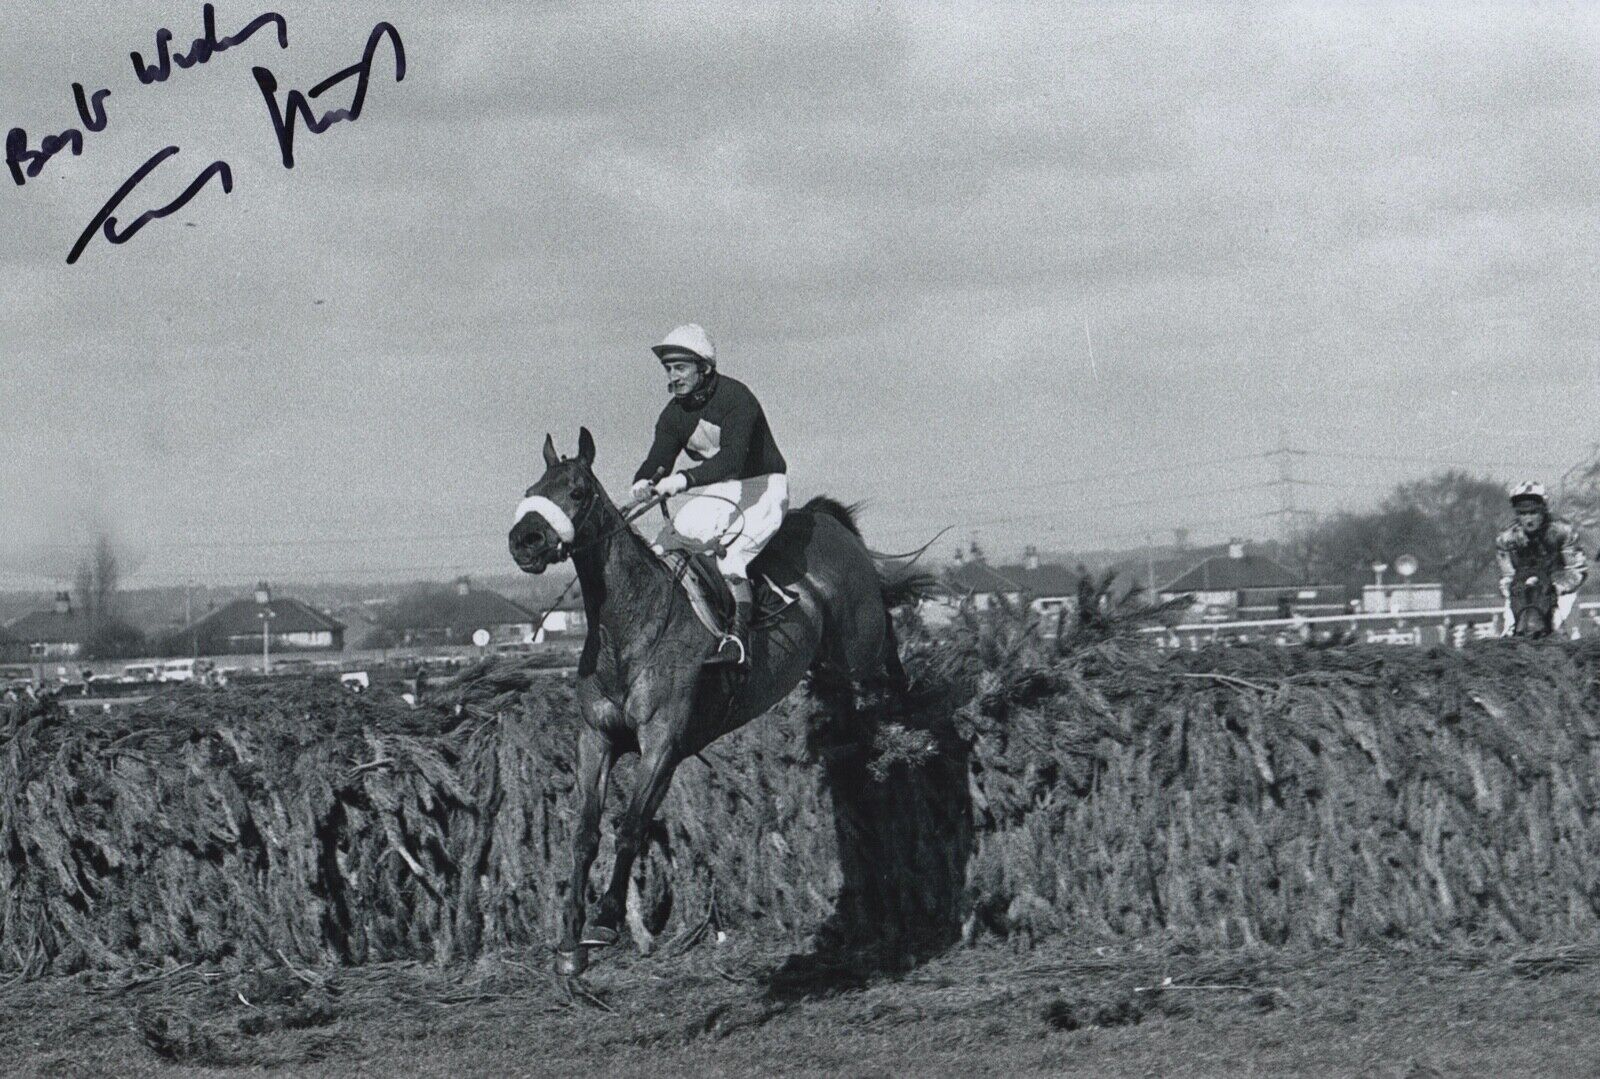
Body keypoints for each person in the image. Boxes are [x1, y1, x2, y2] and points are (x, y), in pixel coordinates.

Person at [631, 323, 789, 666]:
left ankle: (737, 642)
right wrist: (642, 482)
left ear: (704, 367)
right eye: (669, 369)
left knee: (731, 558)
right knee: (663, 548)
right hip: (721, 491)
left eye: (680, 368)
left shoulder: (736, 398)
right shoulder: (673, 414)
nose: (673, 376)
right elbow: (658, 460)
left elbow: (733, 460)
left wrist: (683, 480)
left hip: (763, 485)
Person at [1495, 481, 1587, 636]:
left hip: (1559, 587)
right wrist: (1518, 588)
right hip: (1523, 590)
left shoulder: (1563, 531)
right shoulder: (1506, 539)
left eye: (1533, 512)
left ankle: (1574, 644)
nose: (1528, 519)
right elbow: (1508, 576)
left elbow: (1577, 570)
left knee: (1570, 632)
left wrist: (1555, 587)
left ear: (1543, 510)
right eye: (1523, 514)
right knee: (1508, 630)